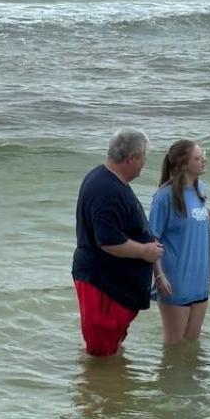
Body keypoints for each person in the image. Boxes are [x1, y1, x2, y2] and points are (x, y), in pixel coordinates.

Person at [72, 127, 164, 356]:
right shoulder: (106, 189)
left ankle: (112, 387)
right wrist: (145, 250)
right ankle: (99, 388)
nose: (144, 163)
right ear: (132, 158)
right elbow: (109, 241)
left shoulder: (109, 180)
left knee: (110, 350)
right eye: (143, 157)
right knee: (101, 354)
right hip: (104, 285)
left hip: (114, 285)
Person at [149, 140, 210, 346]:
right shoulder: (164, 197)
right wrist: (159, 275)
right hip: (175, 280)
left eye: (203, 156)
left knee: (191, 344)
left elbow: (197, 232)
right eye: (198, 158)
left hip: (200, 279)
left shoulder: (201, 189)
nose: (203, 160)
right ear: (183, 164)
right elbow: (152, 240)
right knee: (174, 346)